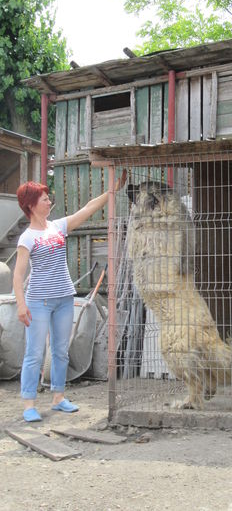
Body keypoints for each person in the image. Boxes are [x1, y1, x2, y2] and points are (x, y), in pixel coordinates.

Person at [13, 169, 127, 422]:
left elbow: (87, 209)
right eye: (44, 198)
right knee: (34, 353)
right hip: (38, 302)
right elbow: (18, 276)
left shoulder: (58, 227)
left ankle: (58, 398)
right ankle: (29, 403)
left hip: (65, 299)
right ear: (31, 205)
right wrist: (21, 306)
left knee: (61, 350)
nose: (48, 201)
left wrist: (112, 190)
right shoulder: (27, 238)